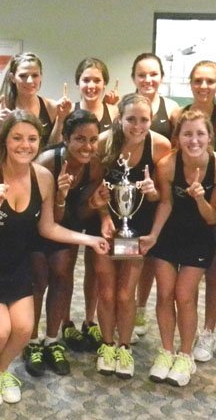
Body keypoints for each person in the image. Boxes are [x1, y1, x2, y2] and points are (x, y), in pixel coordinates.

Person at [0, 110, 108, 407]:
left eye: (32, 139)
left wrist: (89, 239)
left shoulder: (42, 177)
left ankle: (1, 371)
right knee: (0, 330)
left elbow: (48, 227)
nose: (25, 145)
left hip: (17, 268)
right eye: (17, 138)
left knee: (22, 330)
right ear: (5, 140)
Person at [145, 110, 216, 387]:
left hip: (201, 236)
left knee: (184, 294)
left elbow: (213, 217)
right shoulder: (168, 164)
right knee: (165, 293)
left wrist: (200, 198)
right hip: (169, 235)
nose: (194, 140)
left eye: (200, 134)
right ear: (178, 138)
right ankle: (166, 351)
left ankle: (185, 354)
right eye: (187, 134)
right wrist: (154, 236)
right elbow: (166, 203)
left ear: (210, 137)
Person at [94, 93, 171, 379]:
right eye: (131, 119)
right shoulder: (105, 142)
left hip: (135, 232)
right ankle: (107, 345)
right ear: (119, 118)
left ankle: (124, 347)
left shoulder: (160, 146)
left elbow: (165, 198)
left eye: (144, 120)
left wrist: (152, 193)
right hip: (105, 228)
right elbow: (95, 188)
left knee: (127, 294)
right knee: (107, 290)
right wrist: (103, 217)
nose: (137, 126)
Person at [23, 109, 105, 377]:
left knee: (63, 277)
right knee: (38, 279)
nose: (88, 146)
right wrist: (59, 195)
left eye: (93, 140)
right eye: (80, 139)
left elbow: (79, 215)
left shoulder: (94, 166)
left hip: (67, 227)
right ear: (66, 138)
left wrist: (94, 206)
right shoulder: (47, 163)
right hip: (36, 228)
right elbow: (43, 219)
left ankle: (51, 339)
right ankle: (32, 342)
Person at [169, 61, 216, 363]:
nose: (204, 86)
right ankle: (186, 331)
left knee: (214, 271)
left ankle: (208, 332)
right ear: (191, 83)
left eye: (210, 81)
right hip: (186, 205)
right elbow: (174, 157)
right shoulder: (178, 115)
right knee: (185, 275)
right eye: (198, 80)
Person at [60, 57, 119, 353]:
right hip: (69, 197)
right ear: (78, 82)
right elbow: (52, 149)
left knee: (96, 266)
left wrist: (104, 209)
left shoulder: (117, 113)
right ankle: (66, 321)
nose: (91, 85)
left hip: (98, 196)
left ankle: (91, 320)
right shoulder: (67, 113)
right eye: (86, 79)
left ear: (104, 83)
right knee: (67, 264)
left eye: (97, 79)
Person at [130, 53, 181, 338]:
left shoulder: (171, 108)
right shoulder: (124, 107)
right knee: (123, 258)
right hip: (126, 199)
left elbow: (178, 147)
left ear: (161, 77)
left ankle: (139, 308)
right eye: (142, 74)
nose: (148, 80)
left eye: (153, 74)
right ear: (134, 78)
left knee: (149, 257)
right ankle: (119, 307)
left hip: (157, 193)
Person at [0, 52, 71, 154]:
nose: (30, 81)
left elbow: (54, 151)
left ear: (41, 77)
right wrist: (2, 130)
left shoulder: (51, 107)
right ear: (12, 78)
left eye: (35, 75)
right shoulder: (0, 108)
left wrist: (60, 119)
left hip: (43, 169)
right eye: (23, 76)